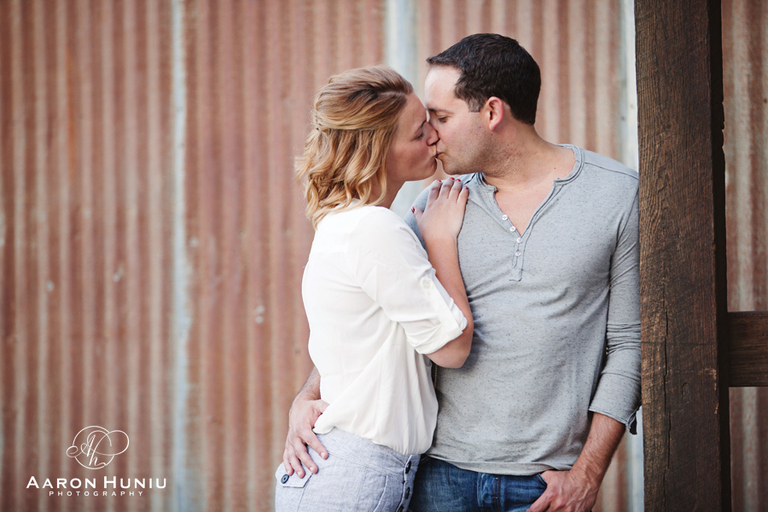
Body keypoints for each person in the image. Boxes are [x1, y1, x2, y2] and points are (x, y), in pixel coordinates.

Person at [284, 34, 641, 512]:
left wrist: (586, 475)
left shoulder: (616, 196)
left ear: (492, 113)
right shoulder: (431, 205)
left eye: (442, 118)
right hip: (434, 477)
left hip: (545, 484)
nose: (431, 133)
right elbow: (377, 319)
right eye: (424, 124)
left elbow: (629, 344)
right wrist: (307, 396)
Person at [274, 66, 474, 512]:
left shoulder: (343, 223)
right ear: (379, 150)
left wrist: (305, 397)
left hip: (350, 468)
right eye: (419, 132)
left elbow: (358, 343)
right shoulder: (373, 228)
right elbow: (452, 349)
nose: (434, 139)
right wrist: (440, 239)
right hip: (354, 477)